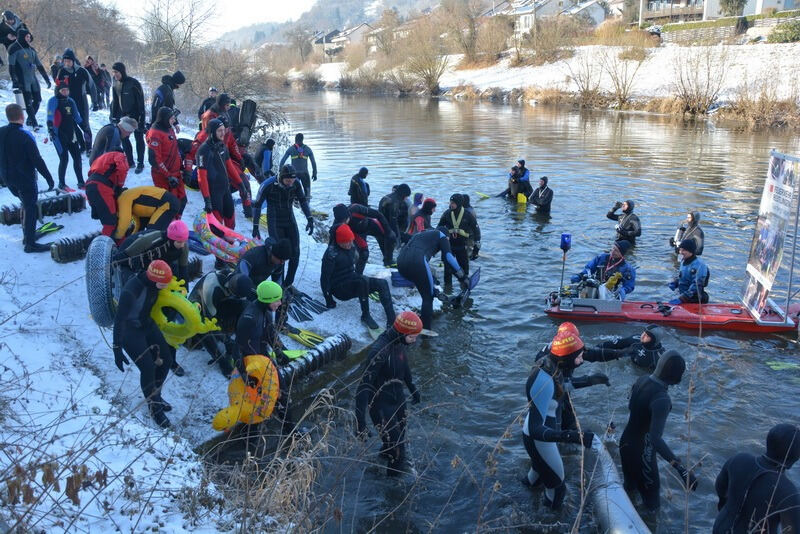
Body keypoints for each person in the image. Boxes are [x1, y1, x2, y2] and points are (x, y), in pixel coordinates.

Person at [522, 327, 596, 509]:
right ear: (567, 358)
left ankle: (520, 497)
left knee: (538, 474)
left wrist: (591, 380)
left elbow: (562, 386)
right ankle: (548, 523)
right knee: (557, 488)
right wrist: (571, 436)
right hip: (539, 438)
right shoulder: (543, 379)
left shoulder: (552, 366)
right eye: (578, 357)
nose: (581, 361)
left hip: (539, 433)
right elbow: (536, 429)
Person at [620, 350, 697, 511]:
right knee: (652, 506)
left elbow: (630, 407)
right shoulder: (662, 399)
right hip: (642, 455)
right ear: (675, 375)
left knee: (630, 490)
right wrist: (680, 468)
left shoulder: (640, 380)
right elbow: (655, 439)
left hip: (625, 443)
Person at [355, 310, 423, 476]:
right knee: (398, 453)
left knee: (395, 444)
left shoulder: (399, 342)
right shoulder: (379, 351)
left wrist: (413, 389)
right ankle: (393, 494)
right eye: (412, 337)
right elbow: (363, 387)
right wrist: (360, 423)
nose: (414, 341)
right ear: (402, 332)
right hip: (381, 406)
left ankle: (380, 462)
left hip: (398, 400)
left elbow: (404, 367)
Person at [112, 260, 175, 428]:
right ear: (154, 280)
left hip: (146, 324)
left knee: (166, 359)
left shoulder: (154, 284)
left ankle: (156, 395)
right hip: (129, 331)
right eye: (164, 283)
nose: (165, 286)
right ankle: (154, 409)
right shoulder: (131, 291)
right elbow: (119, 320)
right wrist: (117, 348)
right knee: (148, 368)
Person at [713, 423, 800, 533]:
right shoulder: (789, 492)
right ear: (795, 458)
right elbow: (792, 531)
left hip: (721, 528)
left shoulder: (738, 459)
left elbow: (720, 488)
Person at [531, 322, 611, 433]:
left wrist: (618, 353)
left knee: (566, 410)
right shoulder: (548, 361)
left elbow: (591, 354)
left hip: (562, 384)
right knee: (561, 410)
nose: (581, 359)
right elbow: (559, 384)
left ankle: (571, 431)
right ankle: (570, 432)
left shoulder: (568, 348)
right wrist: (589, 380)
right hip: (553, 394)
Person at [0, 103, 55, 252]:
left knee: (25, 203)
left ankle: (28, 234)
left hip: (7, 178)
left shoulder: (1, 132)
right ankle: (30, 243)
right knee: (30, 208)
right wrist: (49, 178)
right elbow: (37, 159)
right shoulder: (25, 135)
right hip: (24, 178)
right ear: (22, 117)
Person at [321, 224, 396, 330]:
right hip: (339, 289)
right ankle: (365, 315)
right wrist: (329, 299)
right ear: (339, 241)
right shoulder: (331, 254)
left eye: (350, 241)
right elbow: (324, 278)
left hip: (352, 281)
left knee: (382, 283)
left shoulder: (351, 247)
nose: (349, 244)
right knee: (362, 280)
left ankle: (391, 321)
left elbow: (358, 262)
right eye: (345, 242)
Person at [251, 165, 314, 289]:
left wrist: (310, 218)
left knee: (295, 252)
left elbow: (302, 200)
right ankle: (277, 285)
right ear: (281, 178)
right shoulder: (267, 185)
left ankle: (288, 284)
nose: (290, 184)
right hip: (274, 221)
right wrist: (255, 226)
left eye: (292, 181)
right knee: (279, 254)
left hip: (289, 219)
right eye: (288, 181)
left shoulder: (296, 183)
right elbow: (257, 205)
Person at [397, 228, 468, 330]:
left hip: (401, 263)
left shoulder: (421, 235)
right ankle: (426, 333)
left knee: (428, 289)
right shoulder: (442, 236)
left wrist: (433, 289)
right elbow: (449, 258)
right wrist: (463, 277)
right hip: (417, 261)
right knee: (427, 299)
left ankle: (434, 298)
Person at [188, 269, 253, 376]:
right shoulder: (212, 288)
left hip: (219, 302)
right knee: (202, 327)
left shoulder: (236, 277)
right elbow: (210, 321)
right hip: (199, 309)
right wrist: (226, 340)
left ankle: (238, 343)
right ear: (230, 288)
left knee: (244, 306)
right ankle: (222, 362)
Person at [236, 280, 289, 372]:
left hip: (262, 356)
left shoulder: (265, 311)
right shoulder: (250, 319)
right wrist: (245, 374)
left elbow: (270, 333)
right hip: (251, 364)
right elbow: (238, 348)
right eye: (276, 300)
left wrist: (279, 353)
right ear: (267, 300)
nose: (280, 303)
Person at [197, 118, 240, 229]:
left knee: (231, 219)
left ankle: (230, 242)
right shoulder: (203, 151)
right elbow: (202, 177)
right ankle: (216, 241)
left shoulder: (222, 146)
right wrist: (207, 199)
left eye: (223, 130)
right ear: (212, 133)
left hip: (225, 189)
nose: (223, 133)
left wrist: (241, 185)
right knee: (217, 226)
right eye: (219, 131)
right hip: (213, 193)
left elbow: (230, 167)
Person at [46, 79, 87, 191]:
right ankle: (61, 184)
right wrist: (50, 128)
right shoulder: (53, 101)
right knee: (64, 159)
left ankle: (81, 181)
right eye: (63, 90)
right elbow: (50, 116)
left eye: (67, 90)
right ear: (58, 91)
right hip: (58, 135)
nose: (65, 92)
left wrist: (85, 128)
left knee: (77, 158)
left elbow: (77, 117)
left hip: (71, 134)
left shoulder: (71, 101)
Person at [331, 203, 395, 274]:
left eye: (345, 220)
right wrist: (329, 258)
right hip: (356, 233)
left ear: (348, 215)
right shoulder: (337, 224)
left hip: (368, 224)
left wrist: (389, 231)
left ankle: (388, 260)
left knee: (391, 236)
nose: (345, 223)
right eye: (342, 222)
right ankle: (358, 275)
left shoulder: (356, 208)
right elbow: (332, 243)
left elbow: (378, 214)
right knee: (364, 253)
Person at [8, 28, 50, 128]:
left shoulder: (31, 49)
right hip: (22, 79)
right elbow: (11, 67)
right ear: (22, 36)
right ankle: (34, 123)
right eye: (27, 36)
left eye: (29, 36)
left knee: (38, 100)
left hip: (32, 78)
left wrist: (47, 79)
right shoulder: (13, 48)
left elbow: (39, 65)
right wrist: (14, 80)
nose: (29, 38)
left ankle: (30, 119)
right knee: (28, 103)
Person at [56, 48, 95, 154]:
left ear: (73, 61)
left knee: (85, 124)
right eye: (65, 61)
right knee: (73, 124)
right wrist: (58, 101)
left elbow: (92, 85)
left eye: (68, 61)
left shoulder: (81, 71)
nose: (66, 63)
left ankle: (89, 147)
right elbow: (58, 87)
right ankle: (82, 145)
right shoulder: (62, 71)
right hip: (68, 102)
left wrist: (95, 101)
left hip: (81, 101)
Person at [147, 107, 185, 213]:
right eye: (172, 118)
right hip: (163, 176)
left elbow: (175, 149)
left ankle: (176, 225)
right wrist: (168, 176)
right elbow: (154, 159)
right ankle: (168, 227)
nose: (174, 121)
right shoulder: (155, 134)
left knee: (182, 200)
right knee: (169, 206)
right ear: (164, 118)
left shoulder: (169, 128)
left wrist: (181, 167)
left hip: (175, 173)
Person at [438, 194, 480, 289]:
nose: (450, 205)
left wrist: (476, 247)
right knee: (447, 270)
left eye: (453, 203)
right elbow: (439, 228)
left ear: (459, 203)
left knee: (464, 270)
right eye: (450, 202)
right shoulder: (447, 214)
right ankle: (448, 289)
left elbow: (476, 231)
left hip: (462, 246)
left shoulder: (468, 215)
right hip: (449, 247)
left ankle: (464, 287)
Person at [570, 240, 636, 301]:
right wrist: (580, 275)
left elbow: (629, 285)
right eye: (613, 248)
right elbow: (589, 269)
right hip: (594, 287)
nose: (613, 251)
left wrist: (624, 290)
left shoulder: (627, 268)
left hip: (610, 294)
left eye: (616, 250)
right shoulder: (602, 257)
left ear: (622, 254)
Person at [110, 62, 146, 174]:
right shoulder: (115, 84)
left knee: (138, 139)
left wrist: (142, 120)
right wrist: (113, 116)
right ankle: (130, 161)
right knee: (124, 139)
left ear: (122, 71)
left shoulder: (134, 83)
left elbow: (141, 103)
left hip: (136, 116)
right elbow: (115, 101)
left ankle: (140, 163)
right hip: (123, 116)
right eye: (113, 72)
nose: (115, 74)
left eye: (116, 72)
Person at [84, 151, 130, 237]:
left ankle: (116, 241)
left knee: (108, 219)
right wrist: (120, 185)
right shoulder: (118, 155)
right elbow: (123, 169)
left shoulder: (101, 158)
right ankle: (103, 246)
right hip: (102, 188)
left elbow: (90, 173)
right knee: (110, 223)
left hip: (89, 186)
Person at [587, 324, 666, 372]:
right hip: (627, 358)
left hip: (639, 372)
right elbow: (616, 343)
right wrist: (597, 347)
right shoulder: (635, 339)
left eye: (647, 336)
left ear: (654, 340)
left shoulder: (658, 357)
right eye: (643, 333)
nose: (642, 336)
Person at [378, 183, 411, 266]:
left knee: (386, 251)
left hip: (379, 226)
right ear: (403, 194)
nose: (406, 199)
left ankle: (388, 260)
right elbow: (393, 221)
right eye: (406, 196)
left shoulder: (387, 196)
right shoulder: (395, 202)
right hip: (386, 228)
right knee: (399, 240)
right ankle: (389, 261)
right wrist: (397, 236)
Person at [669, 239, 709, 304]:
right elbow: (683, 276)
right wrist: (676, 282)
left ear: (691, 251)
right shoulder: (683, 261)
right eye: (680, 250)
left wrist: (682, 299)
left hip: (695, 299)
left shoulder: (699, 265)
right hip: (683, 295)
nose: (681, 252)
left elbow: (696, 286)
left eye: (684, 250)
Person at [279, 133, 317, 198]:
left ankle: (295, 204)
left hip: (293, 175)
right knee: (307, 194)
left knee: (293, 194)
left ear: (295, 139)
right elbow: (313, 162)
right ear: (302, 139)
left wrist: (281, 171)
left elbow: (282, 161)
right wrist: (314, 173)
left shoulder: (291, 149)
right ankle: (307, 205)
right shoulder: (308, 149)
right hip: (305, 174)